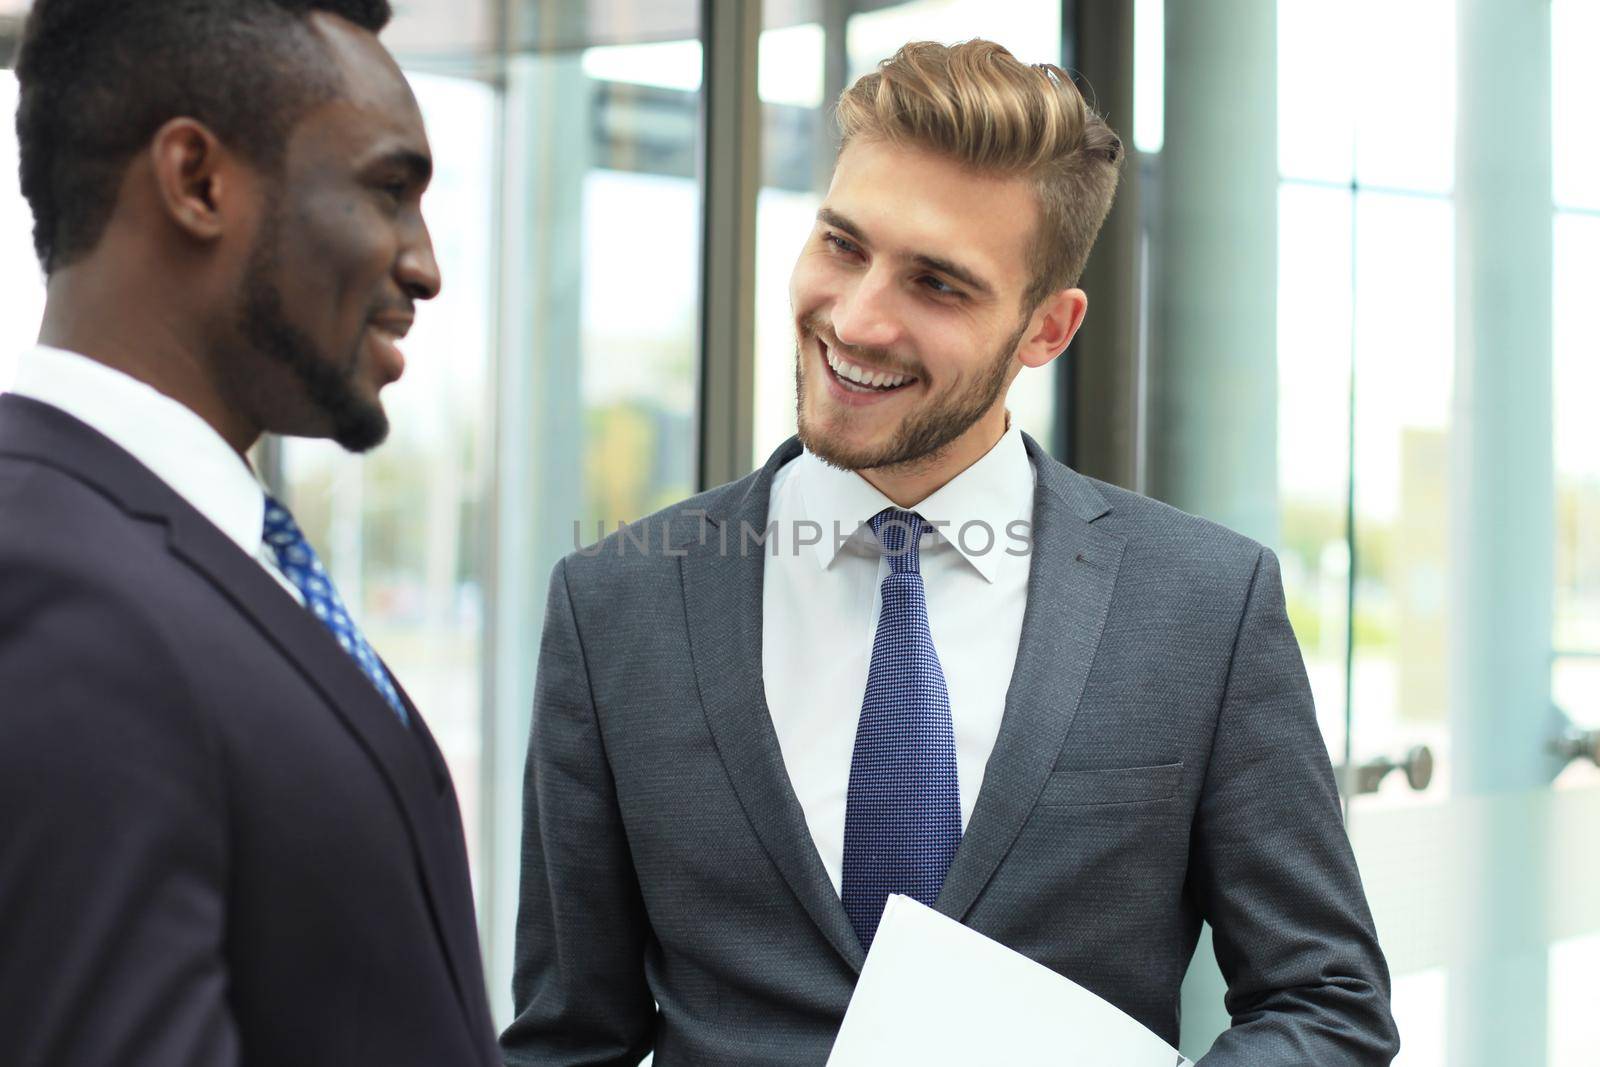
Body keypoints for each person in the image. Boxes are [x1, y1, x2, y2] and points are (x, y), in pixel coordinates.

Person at [501, 39, 1399, 1066]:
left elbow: (1325, 1001)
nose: (856, 317)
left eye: (937, 283)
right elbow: (569, 1039)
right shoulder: (614, 605)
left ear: (1046, 330)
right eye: (843, 245)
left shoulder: (1203, 605)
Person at [0, 2, 498, 1064]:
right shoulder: (53, 583)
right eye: (388, 189)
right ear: (197, 180)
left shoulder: (180, 552)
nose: (424, 265)